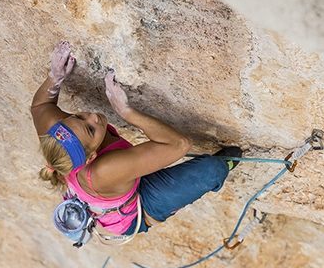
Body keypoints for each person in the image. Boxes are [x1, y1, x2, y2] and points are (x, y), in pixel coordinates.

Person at [31, 41, 242, 238]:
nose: (93, 116)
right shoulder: (104, 170)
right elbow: (179, 145)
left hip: (116, 182)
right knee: (211, 170)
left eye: (78, 116)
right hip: (137, 208)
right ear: (91, 156)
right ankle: (224, 166)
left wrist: (55, 76)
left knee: (140, 161)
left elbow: (40, 107)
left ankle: (140, 164)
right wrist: (126, 111)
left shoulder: (58, 133)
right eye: (90, 129)